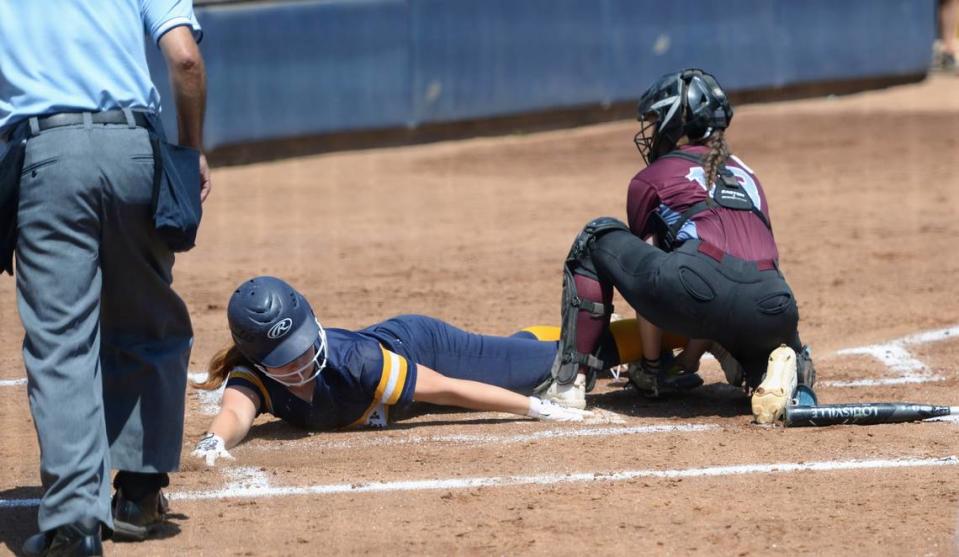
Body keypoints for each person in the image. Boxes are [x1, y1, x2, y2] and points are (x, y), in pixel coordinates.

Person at [0, 1, 210, 554]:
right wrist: (188, 154)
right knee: (148, 317)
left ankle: (74, 523)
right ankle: (140, 493)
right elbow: (185, 60)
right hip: (135, 152)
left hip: (46, 159)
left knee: (62, 343)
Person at [541, 69, 815, 424]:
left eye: (656, 120)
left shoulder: (651, 177)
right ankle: (778, 365)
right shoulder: (749, 174)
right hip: (775, 302)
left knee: (596, 236)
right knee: (724, 287)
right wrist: (692, 355)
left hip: (698, 287)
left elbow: (655, 268)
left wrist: (653, 365)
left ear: (676, 120)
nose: (652, 130)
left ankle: (568, 383)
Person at [189, 276, 684, 465]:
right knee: (516, 353)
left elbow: (449, 389)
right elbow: (234, 416)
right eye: (283, 359)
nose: (298, 364)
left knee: (555, 366)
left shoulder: (357, 362)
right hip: (415, 365)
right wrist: (214, 442)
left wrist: (540, 407)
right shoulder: (254, 379)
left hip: (427, 350)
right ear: (257, 360)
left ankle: (681, 329)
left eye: (301, 347)